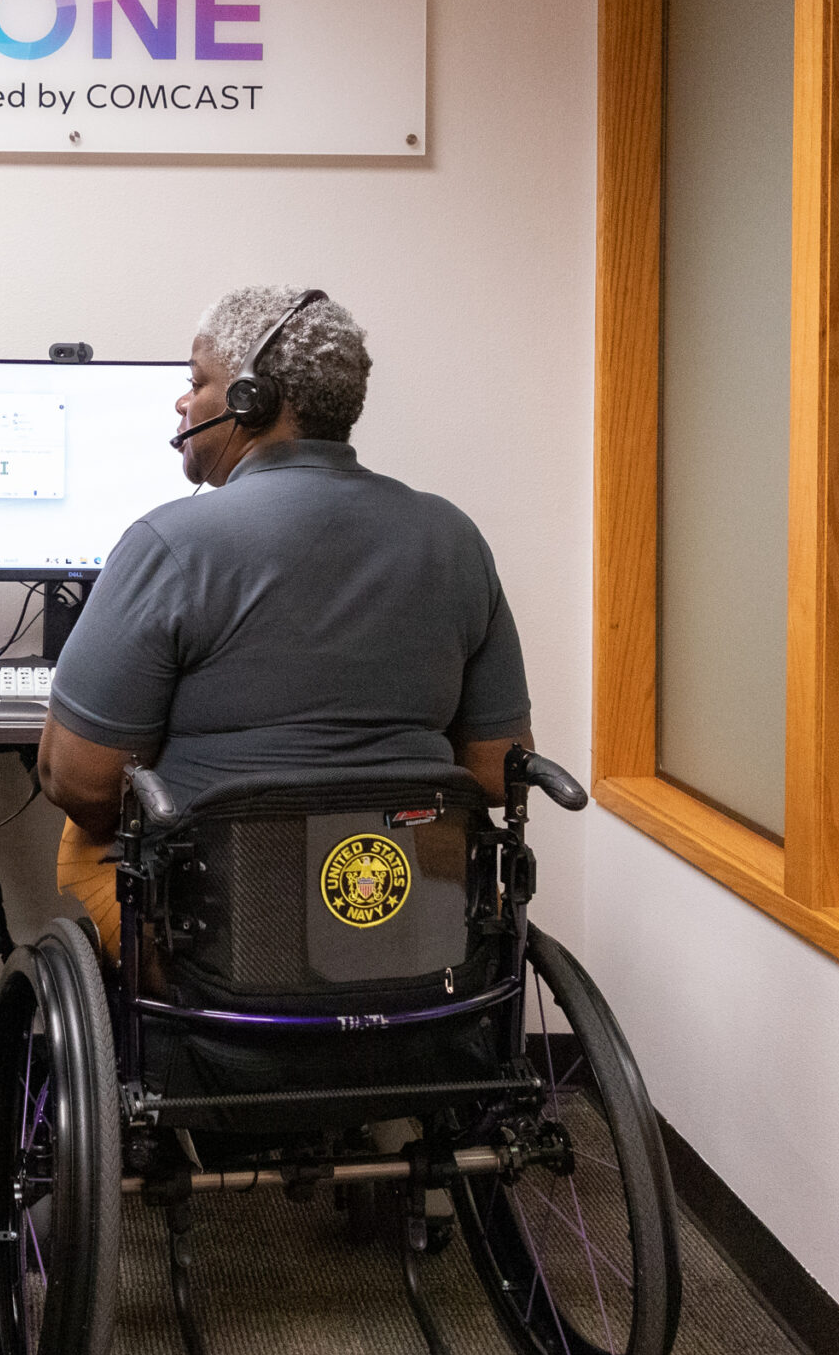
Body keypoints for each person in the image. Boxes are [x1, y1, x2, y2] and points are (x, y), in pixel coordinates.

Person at [37, 285, 535, 955]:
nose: (184, 403)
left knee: (82, 837)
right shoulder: (453, 538)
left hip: (226, 946)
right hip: (408, 928)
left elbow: (80, 784)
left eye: (198, 382)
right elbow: (499, 773)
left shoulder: (171, 544)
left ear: (251, 401)